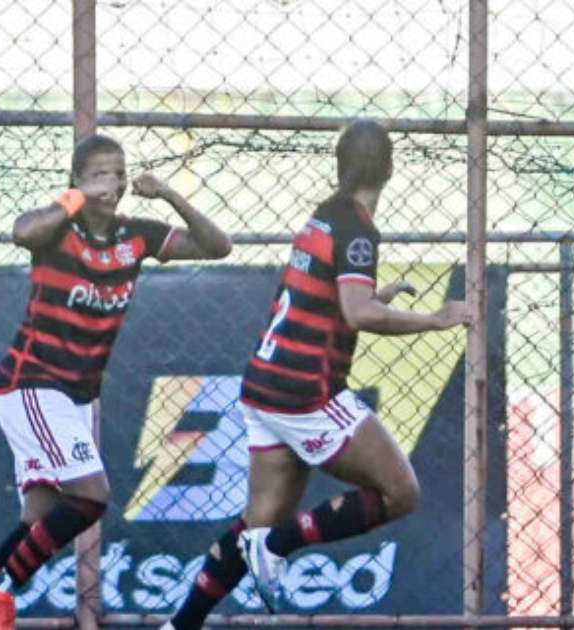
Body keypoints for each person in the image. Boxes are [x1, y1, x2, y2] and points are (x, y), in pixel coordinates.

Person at [162, 119, 469, 630]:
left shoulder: (322, 217)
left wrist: (376, 297)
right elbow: (358, 314)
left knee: (259, 517)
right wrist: (436, 320)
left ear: (340, 166)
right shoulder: (358, 229)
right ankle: (279, 547)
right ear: (389, 170)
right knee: (400, 492)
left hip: (264, 385)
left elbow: (336, 299)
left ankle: (180, 624)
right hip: (305, 392)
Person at [0, 133, 232, 630]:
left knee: (39, 521)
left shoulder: (134, 235)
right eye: (99, 173)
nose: (111, 183)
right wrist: (72, 199)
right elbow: (22, 232)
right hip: (31, 383)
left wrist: (169, 195)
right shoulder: (59, 227)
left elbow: (217, 245)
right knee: (91, 497)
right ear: (76, 180)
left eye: (118, 173)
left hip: (75, 397)